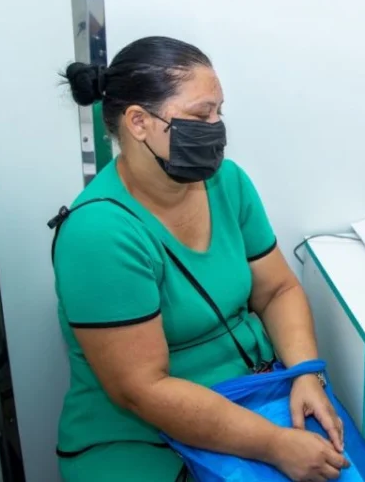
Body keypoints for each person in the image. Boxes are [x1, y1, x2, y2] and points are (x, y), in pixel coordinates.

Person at [55, 37, 348, 481]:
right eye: (200, 114)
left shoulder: (227, 182)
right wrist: (274, 444)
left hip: (252, 390)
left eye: (219, 112)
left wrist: (306, 372)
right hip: (140, 434)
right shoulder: (99, 233)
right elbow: (143, 391)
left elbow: (278, 290)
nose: (215, 127)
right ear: (138, 122)